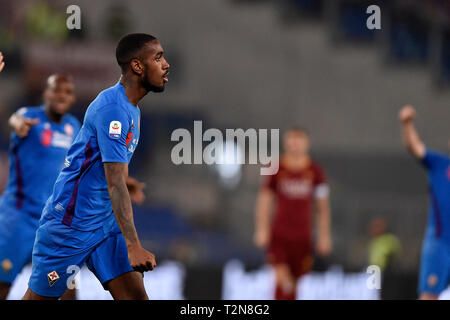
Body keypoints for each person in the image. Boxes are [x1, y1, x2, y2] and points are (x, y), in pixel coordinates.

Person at [22, 33, 170, 300]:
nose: (166, 64)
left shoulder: (130, 108)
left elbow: (113, 170)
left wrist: (128, 182)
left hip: (104, 224)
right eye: (158, 58)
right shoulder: (113, 109)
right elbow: (114, 182)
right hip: (70, 226)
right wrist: (134, 245)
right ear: (137, 66)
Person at [0, 74, 81, 300]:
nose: (61, 96)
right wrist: (18, 125)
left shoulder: (73, 126)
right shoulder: (29, 117)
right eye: (56, 90)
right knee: (2, 287)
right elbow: (15, 120)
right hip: (18, 218)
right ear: (46, 93)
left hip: (53, 223)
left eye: (67, 92)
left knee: (68, 290)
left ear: (73, 98)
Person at [254, 127, 332, 300]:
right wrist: (261, 229)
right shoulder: (275, 168)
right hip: (280, 235)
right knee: (281, 279)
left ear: (307, 143)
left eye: (299, 140)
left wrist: (324, 236)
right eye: (291, 140)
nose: (295, 145)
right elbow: (265, 201)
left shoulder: (315, 172)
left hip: (303, 236)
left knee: (296, 281)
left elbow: (322, 207)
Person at [399, 105, 450, 300]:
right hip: (440, 243)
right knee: (429, 296)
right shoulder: (439, 163)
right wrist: (407, 124)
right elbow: (414, 147)